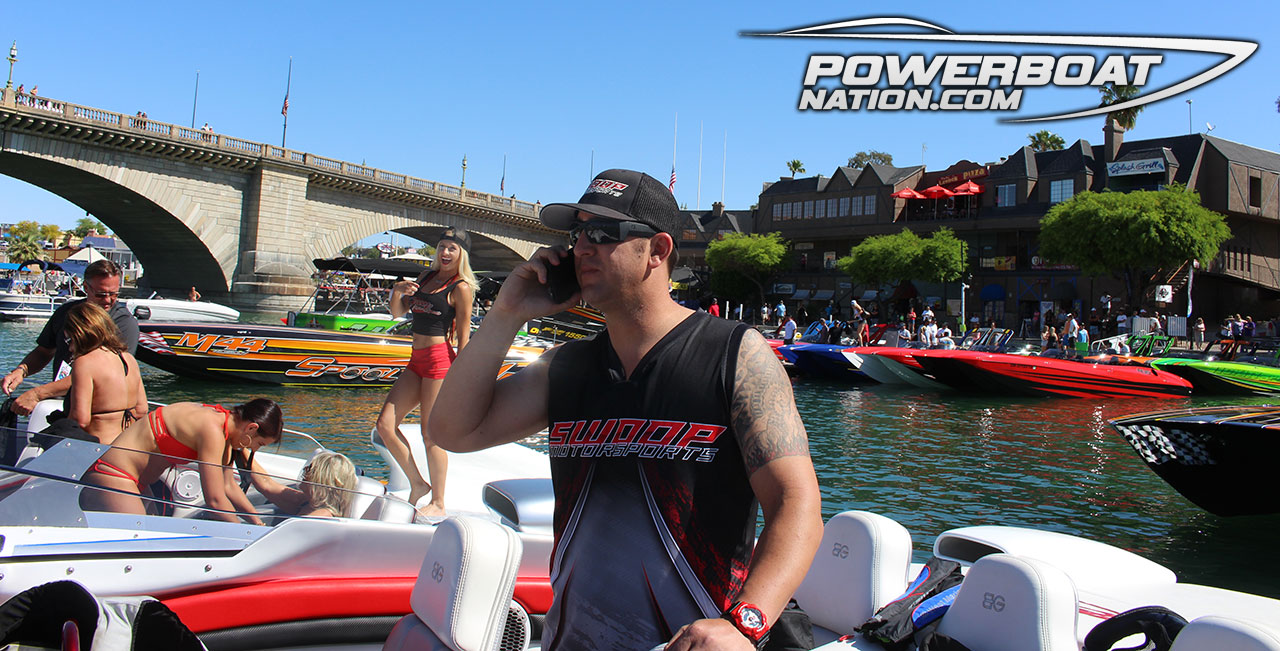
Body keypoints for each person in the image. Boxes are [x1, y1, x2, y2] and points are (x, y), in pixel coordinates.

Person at [428, 169, 823, 650]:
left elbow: (796, 503)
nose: (580, 249)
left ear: (657, 250)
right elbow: (452, 431)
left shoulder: (735, 356)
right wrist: (507, 313)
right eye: (576, 236)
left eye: (601, 233)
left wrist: (745, 624)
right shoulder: (565, 368)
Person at [375, 227, 476, 517]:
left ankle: (439, 502)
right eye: (442, 246)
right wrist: (397, 292)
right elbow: (398, 313)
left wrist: (464, 376)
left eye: (452, 248)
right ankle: (418, 484)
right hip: (416, 360)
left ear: (461, 254)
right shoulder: (425, 277)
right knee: (385, 425)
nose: (445, 252)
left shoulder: (461, 288)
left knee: (430, 434)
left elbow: (464, 335)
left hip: (439, 361)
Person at [81, 399, 283, 525]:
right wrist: (245, 536)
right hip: (113, 474)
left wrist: (257, 524)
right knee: (141, 542)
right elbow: (214, 500)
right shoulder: (212, 430)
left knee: (151, 537)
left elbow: (228, 486)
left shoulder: (223, 428)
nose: (254, 450)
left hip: (135, 484)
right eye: (259, 444)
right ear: (251, 428)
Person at [3, 260, 139, 415]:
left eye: (114, 294)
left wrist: (37, 394)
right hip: (61, 403)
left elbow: (104, 373)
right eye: (101, 294)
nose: (108, 300)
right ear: (86, 287)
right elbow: (44, 351)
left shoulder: (124, 323)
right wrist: (21, 370)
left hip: (95, 411)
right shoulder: (67, 313)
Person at [65, 302, 148, 444]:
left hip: (99, 448)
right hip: (129, 445)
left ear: (79, 334)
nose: (70, 348)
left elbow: (81, 419)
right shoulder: (128, 359)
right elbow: (142, 409)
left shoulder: (85, 363)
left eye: (69, 340)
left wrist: (60, 426)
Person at [249, 451, 359, 518]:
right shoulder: (307, 502)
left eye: (311, 469)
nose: (306, 470)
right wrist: (243, 448)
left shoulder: (321, 516)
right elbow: (266, 484)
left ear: (322, 480)